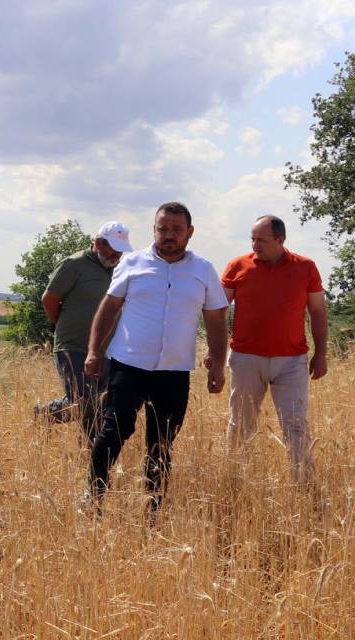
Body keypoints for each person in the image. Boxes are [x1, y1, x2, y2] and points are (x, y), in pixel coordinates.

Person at [83, 202, 228, 520]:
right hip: (128, 365)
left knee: (161, 443)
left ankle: (153, 511)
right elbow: (109, 308)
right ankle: (93, 499)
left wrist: (218, 363)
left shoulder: (203, 270)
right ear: (154, 230)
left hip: (174, 372)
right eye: (163, 228)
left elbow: (216, 319)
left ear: (190, 232)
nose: (169, 235)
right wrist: (94, 350)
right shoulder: (132, 263)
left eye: (176, 229)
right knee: (113, 431)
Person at [220, 215, 327, 483]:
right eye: (253, 238)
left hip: (292, 361)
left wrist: (321, 353)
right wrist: (215, 351)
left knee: (296, 425)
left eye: (262, 240)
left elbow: (317, 311)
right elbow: (216, 311)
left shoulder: (306, 267)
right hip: (246, 358)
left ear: (281, 240)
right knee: (241, 424)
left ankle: (303, 486)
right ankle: (234, 481)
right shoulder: (237, 266)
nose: (255, 244)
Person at [36, 222, 131, 441]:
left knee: (102, 402)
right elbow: (49, 299)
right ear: (98, 243)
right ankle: (49, 416)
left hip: (107, 350)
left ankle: (90, 456)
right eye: (113, 248)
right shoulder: (73, 264)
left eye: (120, 250)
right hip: (73, 346)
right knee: (86, 403)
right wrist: (62, 325)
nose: (117, 254)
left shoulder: (117, 270)